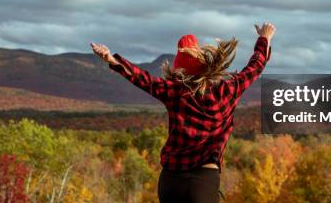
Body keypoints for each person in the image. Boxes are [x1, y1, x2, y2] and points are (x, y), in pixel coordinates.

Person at [91, 22, 275, 203]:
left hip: (171, 182)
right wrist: (264, 38)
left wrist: (111, 59)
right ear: (204, 63)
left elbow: (142, 79)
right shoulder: (227, 90)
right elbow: (255, 66)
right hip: (203, 182)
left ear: (181, 71)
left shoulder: (174, 91)